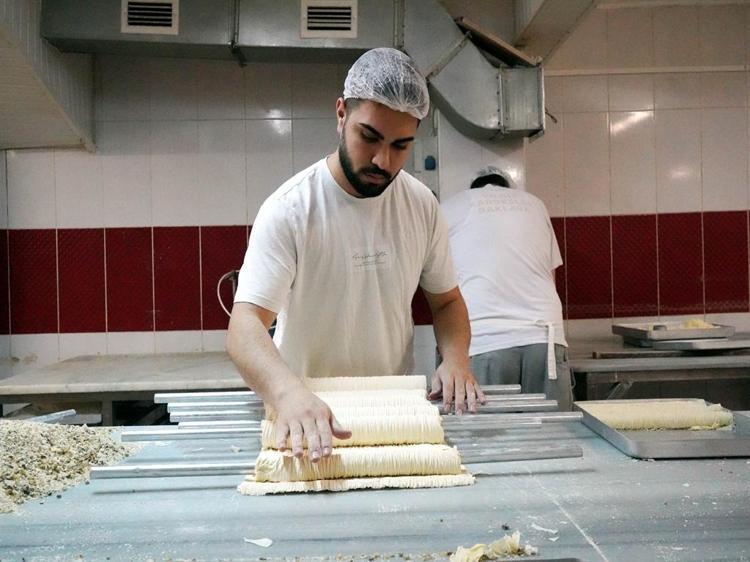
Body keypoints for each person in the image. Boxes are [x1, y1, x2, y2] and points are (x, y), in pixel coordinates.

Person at [227, 48, 485, 464]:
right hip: (307, 413)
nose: (383, 160)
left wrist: (455, 359)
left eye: (401, 145)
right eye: (369, 137)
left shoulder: (421, 206)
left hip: (392, 414)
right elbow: (245, 325)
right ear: (341, 114)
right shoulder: (291, 209)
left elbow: (447, 301)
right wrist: (287, 393)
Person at [441, 167, 573, 411]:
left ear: (474, 189)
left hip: (486, 339)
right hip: (544, 339)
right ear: (507, 188)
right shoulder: (535, 205)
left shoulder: (451, 206)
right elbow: (550, 277)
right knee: (553, 429)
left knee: (491, 432)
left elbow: (441, 284)